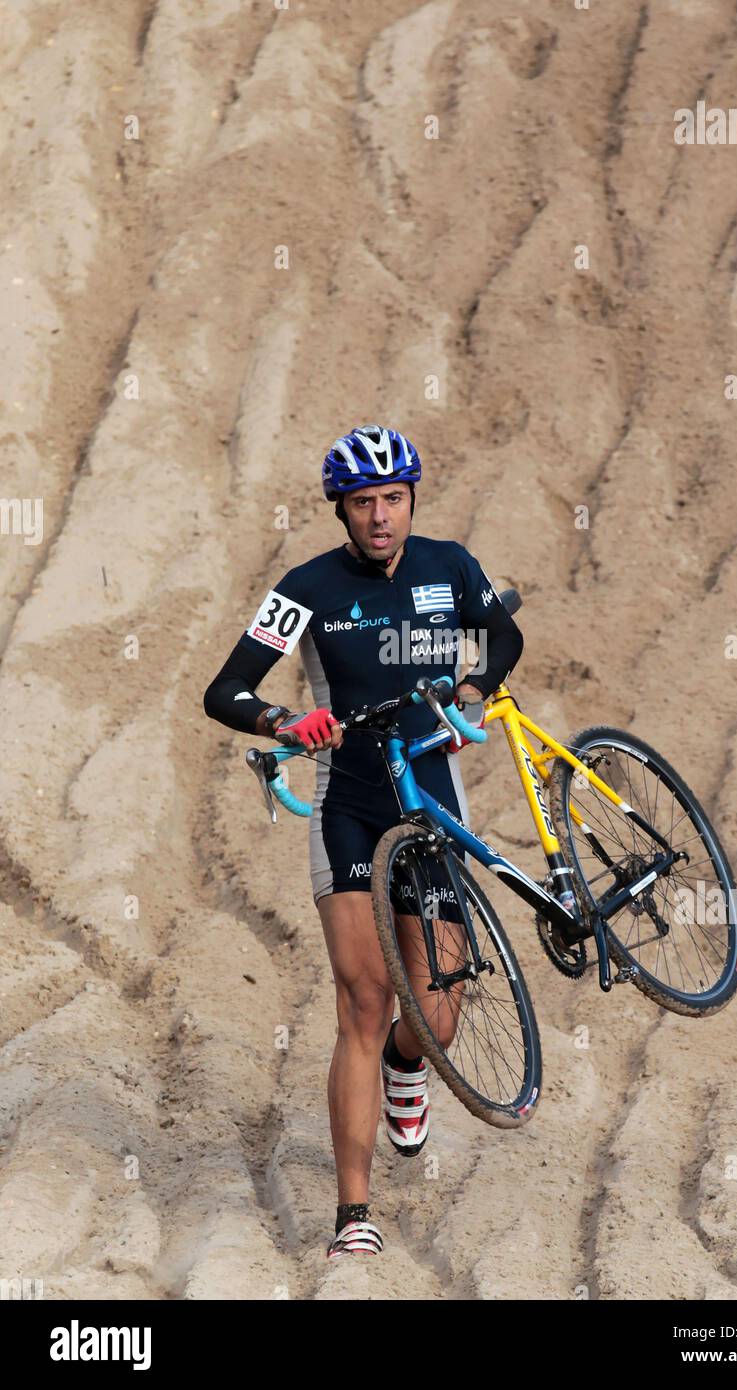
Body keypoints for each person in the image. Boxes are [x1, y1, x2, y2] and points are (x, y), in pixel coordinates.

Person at [202, 425, 524, 1259]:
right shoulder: (305, 586)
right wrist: (281, 718)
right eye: (362, 503)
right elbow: (226, 687)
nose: (380, 517)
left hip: (430, 797)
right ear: (341, 510)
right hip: (347, 806)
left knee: (438, 1013)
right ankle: (354, 1213)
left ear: (411, 499)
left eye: (392, 499)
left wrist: (474, 687)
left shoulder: (449, 565)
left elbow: (504, 636)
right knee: (363, 1000)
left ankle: (407, 1068)